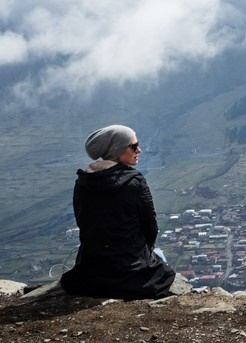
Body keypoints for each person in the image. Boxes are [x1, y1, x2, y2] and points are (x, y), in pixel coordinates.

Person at [58, 124, 177, 301]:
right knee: (163, 269)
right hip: (130, 272)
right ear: (118, 149)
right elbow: (150, 227)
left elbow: (83, 223)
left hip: (91, 272)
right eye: (134, 146)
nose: (139, 150)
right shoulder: (134, 182)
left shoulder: (83, 182)